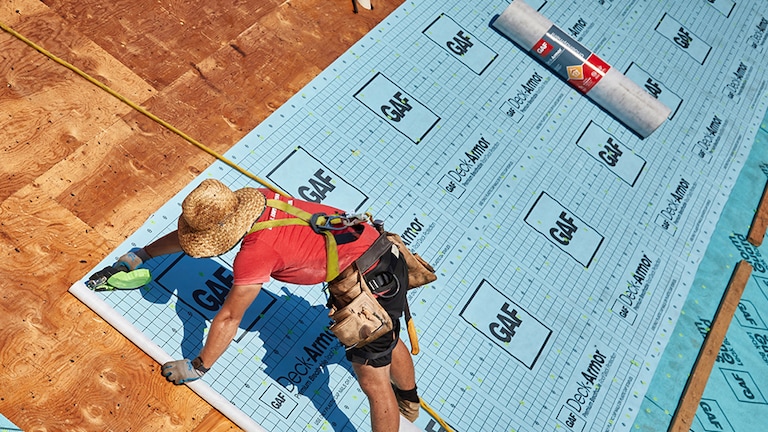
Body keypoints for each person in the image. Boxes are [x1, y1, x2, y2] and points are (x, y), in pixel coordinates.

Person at [115, 179, 420, 431]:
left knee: (372, 378)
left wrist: (198, 366)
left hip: (370, 286)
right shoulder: (261, 199)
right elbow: (192, 236)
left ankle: (401, 402)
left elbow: (229, 317)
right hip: (383, 253)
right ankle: (409, 401)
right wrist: (143, 255)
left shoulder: (255, 253)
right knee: (387, 339)